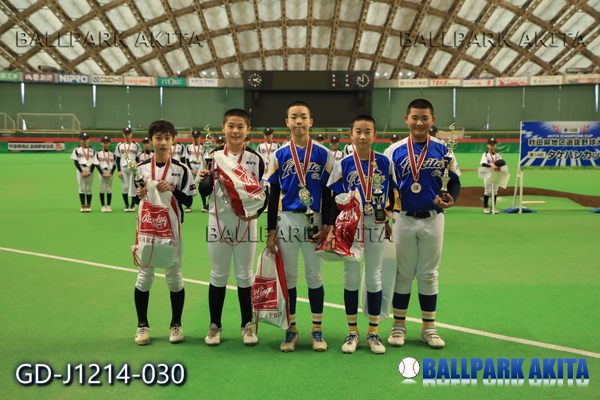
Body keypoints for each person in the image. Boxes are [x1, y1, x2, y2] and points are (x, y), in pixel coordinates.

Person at [386, 99, 461, 349]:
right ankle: (399, 326)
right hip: (402, 218)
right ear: (406, 119)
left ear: (432, 120)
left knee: (429, 274)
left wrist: (451, 199)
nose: (419, 122)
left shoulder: (443, 149)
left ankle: (429, 328)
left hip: (433, 218)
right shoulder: (393, 151)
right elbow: (384, 186)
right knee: (403, 274)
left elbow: (454, 181)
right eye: (415, 117)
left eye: (425, 118)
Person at [265, 100, 335, 352]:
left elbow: (329, 193)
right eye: (294, 117)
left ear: (310, 121)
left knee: (314, 276)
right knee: (290, 276)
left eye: (303, 117)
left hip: (315, 220)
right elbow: (273, 194)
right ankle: (291, 329)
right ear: (287, 122)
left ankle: (317, 330)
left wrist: (328, 224)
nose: (298, 121)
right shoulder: (279, 155)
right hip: (286, 219)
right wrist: (270, 230)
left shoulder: (324, 154)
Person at [325, 115, 396, 354]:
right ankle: (352, 332)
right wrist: (333, 227)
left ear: (375, 135)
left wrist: (389, 212)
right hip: (350, 226)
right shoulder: (343, 164)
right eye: (358, 131)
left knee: (374, 277)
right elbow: (333, 197)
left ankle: (373, 333)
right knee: (351, 277)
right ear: (351, 134)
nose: (363, 136)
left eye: (367, 132)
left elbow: (393, 193)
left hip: (375, 224)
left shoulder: (384, 162)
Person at [199, 109, 268, 347]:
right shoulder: (212, 156)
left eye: (240, 126)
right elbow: (203, 193)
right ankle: (214, 326)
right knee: (218, 274)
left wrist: (255, 214)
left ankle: (246, 325)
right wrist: (205, 179)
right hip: (218, 220)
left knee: (245, 274)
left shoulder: (256, 159)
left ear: (248, 130)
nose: (235, 131)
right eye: (231, 126)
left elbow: (264, 193)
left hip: (246, 222)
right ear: (223, 128)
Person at [130, 120, 197, 346]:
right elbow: (135, 199)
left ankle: (176, 325)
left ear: (174, 140)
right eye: (158, 138)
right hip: (147, 229)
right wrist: (140, 194)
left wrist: (173, 189)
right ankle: (142, 326)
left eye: (167, 138)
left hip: (172, 231)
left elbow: (189, 201)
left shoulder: (181, 169)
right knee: (144, 278)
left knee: (174, 278)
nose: (163, 142)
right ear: (150, 141)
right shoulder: (139, 168)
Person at [115, 127, 142, 212]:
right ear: (123, 134)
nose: (127, 135)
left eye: (128, 134)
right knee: (125, 187)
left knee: (133, 187)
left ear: (131, 134)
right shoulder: (119, 145)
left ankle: (132, 205)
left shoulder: (136, 145)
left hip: (133, 168)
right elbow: (118, 158)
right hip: (123, 167)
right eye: (125, 134)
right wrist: (119, 170)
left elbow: (138, 158)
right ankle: (127, 205)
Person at [70, 132, 96, 212]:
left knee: (89, 188)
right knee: (81, 188)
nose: (85, 141)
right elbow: (76, 162)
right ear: (80, 140)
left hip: (89, 169)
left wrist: (91, 171)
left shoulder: (92, 150)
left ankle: (88, 206)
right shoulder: (77, 149)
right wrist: (81, 171)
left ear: (89, 140)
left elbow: (95, 162)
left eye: (86, 139)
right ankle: (83, 206)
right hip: (81, 169)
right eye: (83, 139)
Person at [480, 138, 504, 214]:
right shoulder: (485, 154)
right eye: (491, 144)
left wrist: (499, 167)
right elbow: (483, 164)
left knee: (495, 190)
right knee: (487, 190)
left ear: (496, 145)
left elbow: (501, 162)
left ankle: (493, 207)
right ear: (488, 145)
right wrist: (491, 166)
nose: (492, 146)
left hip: (496, 173)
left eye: (494, 144)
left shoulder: (498, 154)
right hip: (487, 173)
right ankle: (485, 207)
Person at [94, 135, 116, 212]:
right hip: (102, 172)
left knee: (109, 189)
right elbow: (96, 164)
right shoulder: (98, 153)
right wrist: (102, 173)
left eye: (107, 142)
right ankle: (103, 206)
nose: (105, 144)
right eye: (104, 142)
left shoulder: (112, 153)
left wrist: (111, 173)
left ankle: (108, 206)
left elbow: (114, 164)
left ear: (109, 143)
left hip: (110, 172)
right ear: (101, 143)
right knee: (102, 189)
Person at [185, 130, 205, 213]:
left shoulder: (203, 146)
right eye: (194, 137)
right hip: (192, 165)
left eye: (197, 137)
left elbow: (204, 159)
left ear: (200, 137)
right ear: (192, 137)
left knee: (202, 187)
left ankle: (204, 205)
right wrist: (191, 169)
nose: (196, 138)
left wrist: (201, 169)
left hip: (200, 165)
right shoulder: (188, 146)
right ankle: (188, 205)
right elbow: (187, 158)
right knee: (189, 186)